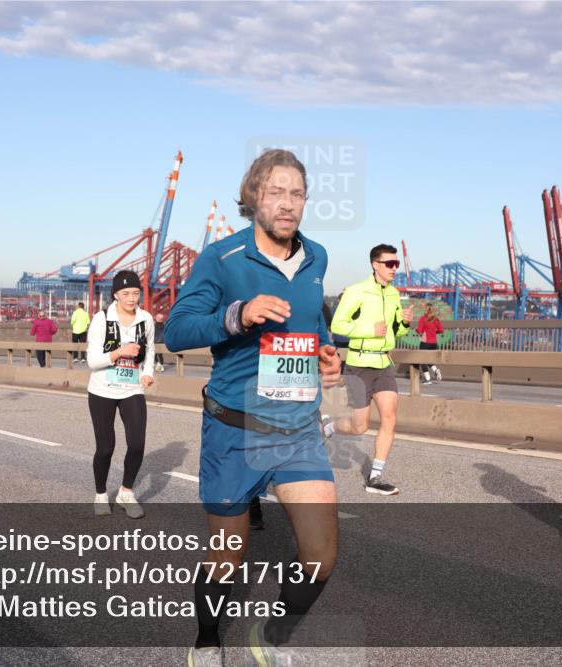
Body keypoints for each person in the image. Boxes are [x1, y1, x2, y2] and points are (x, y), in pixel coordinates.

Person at [166, 148, 341, 667]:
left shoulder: (318, 257)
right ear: (253, 198)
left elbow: (312, 324)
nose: (287, 204)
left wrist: (327, 352)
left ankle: (272, 637)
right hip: (233, 430)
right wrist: (237, 315)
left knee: (322, 555)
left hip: (296, 429)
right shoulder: (221, 258)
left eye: (297, 193)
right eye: (276, 192)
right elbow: (176, 331)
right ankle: (206, 639)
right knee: (227, 556)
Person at [324, 244, 413, 496]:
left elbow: (397, 331)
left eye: (396, 264)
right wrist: (369, 331)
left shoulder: (395, 294)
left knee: (390, 417)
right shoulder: (356, 291)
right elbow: (339, 326)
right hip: (359, 365)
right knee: (359, 426)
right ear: (375, 265)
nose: (395, 268)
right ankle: (329, 427)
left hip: (384, 363)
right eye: (390, 264)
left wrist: (404, 323)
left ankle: (375, 477)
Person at [86, 271, 155, 519]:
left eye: (136, 293)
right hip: (102, 390)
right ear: (115, 294)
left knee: (137, 444)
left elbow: (149, 351)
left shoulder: (146, 319)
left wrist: (147, 372)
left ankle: (126, 493)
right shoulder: (101, 320)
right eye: (126, 293)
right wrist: (119, 353)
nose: (131, 298)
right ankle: (101, 494)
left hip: (132, 388)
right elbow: (92, 361)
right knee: (106, 447)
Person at [416, 303, 444, 384]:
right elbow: (442, 330)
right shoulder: (436, 319)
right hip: (434, 343)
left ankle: (428, 379)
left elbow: (420, 330)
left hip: (425, 343)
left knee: (422, 360)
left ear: (425, 310)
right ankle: (436, 370)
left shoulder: (423, 318)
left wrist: (416, 330)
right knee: (428, 360)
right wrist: (435, 332)